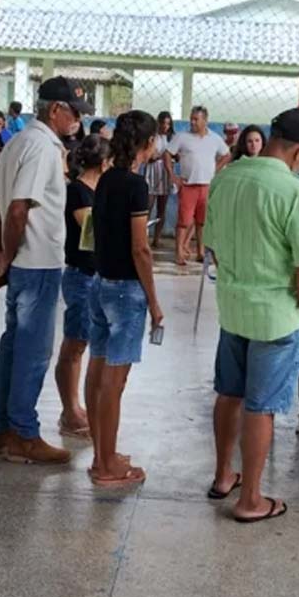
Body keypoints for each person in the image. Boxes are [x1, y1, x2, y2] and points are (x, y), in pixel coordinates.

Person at [205, 108, 299, 523]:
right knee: (261, 406)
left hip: (233, 308)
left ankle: (223, 476)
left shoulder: (226, 178)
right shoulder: (296, 193)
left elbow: (213, 247)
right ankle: (250, 499)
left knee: (229, 392)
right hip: (277, 316)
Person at [0, 77, 94, 465]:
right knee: (32, 352)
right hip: (37, 264)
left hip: (21, 263)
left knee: (13, 346)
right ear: (55, 110)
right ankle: (24, 435)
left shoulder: (16, 142)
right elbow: (17, 209)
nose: (78, 121)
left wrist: (0, 255)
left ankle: (3, 431)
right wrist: (8, 257)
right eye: (75, 113)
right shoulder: (43, 147)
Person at [88, 111, 163, 487]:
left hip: (101, 284)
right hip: (125, 291)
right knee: (114, 385)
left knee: (102, 376)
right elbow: (141, 248)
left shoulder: (105, 181)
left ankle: (104, 455)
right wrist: (154, 302)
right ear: (147, 144)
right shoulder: (136, 186)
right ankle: (107, 467)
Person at [56, 134, 110, 440]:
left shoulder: (99, 191)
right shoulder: (77, 192)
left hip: (97, 274)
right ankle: (70, 410)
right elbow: (90, 232)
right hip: (81, 275)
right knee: (74, 345)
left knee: (86, 343)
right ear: (103, 163)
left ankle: (77, 407)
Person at [163, 106, 231, 266]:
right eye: (191, 119)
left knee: (202, 222)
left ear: (205, 121)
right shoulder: (182, 137)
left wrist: (215, 168)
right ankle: (179, 252)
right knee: (184, 221)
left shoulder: (214, 139)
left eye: (196, 119)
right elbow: (167, 154)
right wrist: (173, 176)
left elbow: (226, 154)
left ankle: (200, 252)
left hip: (207, 187)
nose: (192, 122)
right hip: (188, 185)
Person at [144, 111, 175, 249]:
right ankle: (144, 236)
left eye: (168, 123)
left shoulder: (172, 138)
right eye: (163, 123)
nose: (165, 126)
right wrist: (159, 156)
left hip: (165, 174)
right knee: (148, 206)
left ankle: (157, 238)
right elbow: (148, 156)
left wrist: (172, 157)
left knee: (162, 208)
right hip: (152, 173)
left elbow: (175, 155)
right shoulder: (152, 137)